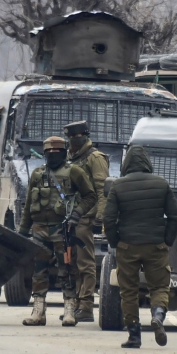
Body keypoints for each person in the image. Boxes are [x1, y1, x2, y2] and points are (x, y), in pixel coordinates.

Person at [102, 145, 177, 349]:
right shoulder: (161, 184)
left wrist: (115, 242)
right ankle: (157, 315)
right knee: (159, 286)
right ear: (147, 163)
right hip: (156, 246)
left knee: (128, 290)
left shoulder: (118, 186)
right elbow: (175, 215)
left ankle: (134, 335)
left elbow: (108, 218)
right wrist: (167, 241)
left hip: (127, 246)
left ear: (126, 164)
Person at [18, 136, 96, 327]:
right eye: (49, 151)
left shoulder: (74, 172)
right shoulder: (37, 174)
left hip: (63, 228)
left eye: (57, 151)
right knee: (39, 270)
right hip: (39, 229)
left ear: (64, 152)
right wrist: (23, 230)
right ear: (44, 153)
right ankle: (38, 310)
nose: (53, 154)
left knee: (67, 269)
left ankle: (69, 309)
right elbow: (29, 204)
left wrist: (77, 214)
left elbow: (90, 196)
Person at [64, 120, 109, 323]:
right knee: (71, 262)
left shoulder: (95, 158)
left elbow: (102, 188)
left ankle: (86, 306)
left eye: (78, 136)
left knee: (85, 262)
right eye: (71, 137)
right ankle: (75, 305)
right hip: (71, 216)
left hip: (86, 217)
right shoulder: (70, 157)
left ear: (85, 135)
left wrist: (100, 216)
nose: (74, 140)